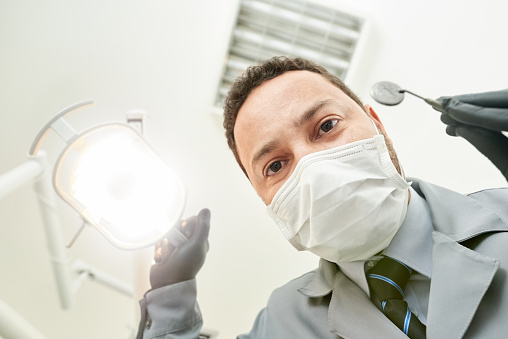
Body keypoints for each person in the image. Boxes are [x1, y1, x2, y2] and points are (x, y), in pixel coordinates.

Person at [137, 57, 508, 339]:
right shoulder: (283, 321)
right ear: (264, 198)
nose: (312, 168)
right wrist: (171, 300)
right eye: (275, 165)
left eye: (326, 126)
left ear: (377, 126)